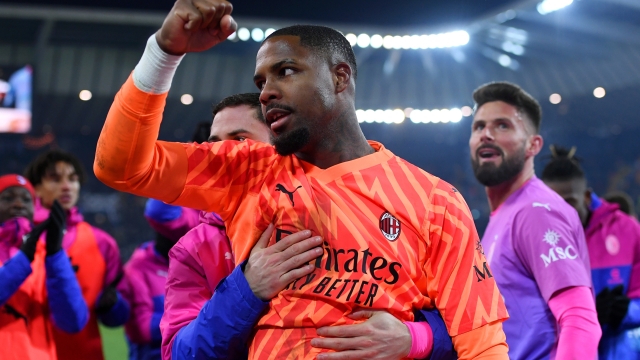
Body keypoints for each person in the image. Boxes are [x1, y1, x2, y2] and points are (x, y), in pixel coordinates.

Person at [94, 1, 509, 358]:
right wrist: (165, 52)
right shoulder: (248, 170)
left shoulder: (435, 200)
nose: (265, 92)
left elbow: (480, 339)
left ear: (340, 77)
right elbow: (120, 166)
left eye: (285, 71)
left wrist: (415, 337)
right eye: (260, 82)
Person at [162, 93, 455, 360]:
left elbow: (468, 322)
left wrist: (416, 337)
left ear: (281, 146)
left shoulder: (355, 215)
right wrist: (247, 289)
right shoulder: (195, 249)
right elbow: (179, 354)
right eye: (214, 143)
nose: (221, 154)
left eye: (239, 140)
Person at [469, 82, 601, 359]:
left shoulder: (536, 212)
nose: (486, 135)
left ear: (533, 145)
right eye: (479, 127)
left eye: (502, 125)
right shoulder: (505, 213)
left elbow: (579, 319)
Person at [24, 150, 129, 360]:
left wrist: (113, 305)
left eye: (73, 179)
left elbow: (120, 315)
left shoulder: (102, 242)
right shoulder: (19, 239)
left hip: (84, 353)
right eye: (54, 179)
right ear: (35, 188)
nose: (66, 186)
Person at [542, 145, 640, 359]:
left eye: (568, 202)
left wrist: (626, 312)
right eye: (552, 204)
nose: (561, 212)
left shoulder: (627, 229)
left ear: (586, 196)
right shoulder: (539, 240)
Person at [0, 174, 88, 359]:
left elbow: (73, 321)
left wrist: (56, 255)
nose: (18, 205)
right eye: (8, 198)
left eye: (26, 199)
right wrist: (23, 259)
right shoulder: (29, 257)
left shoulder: (45, 257)